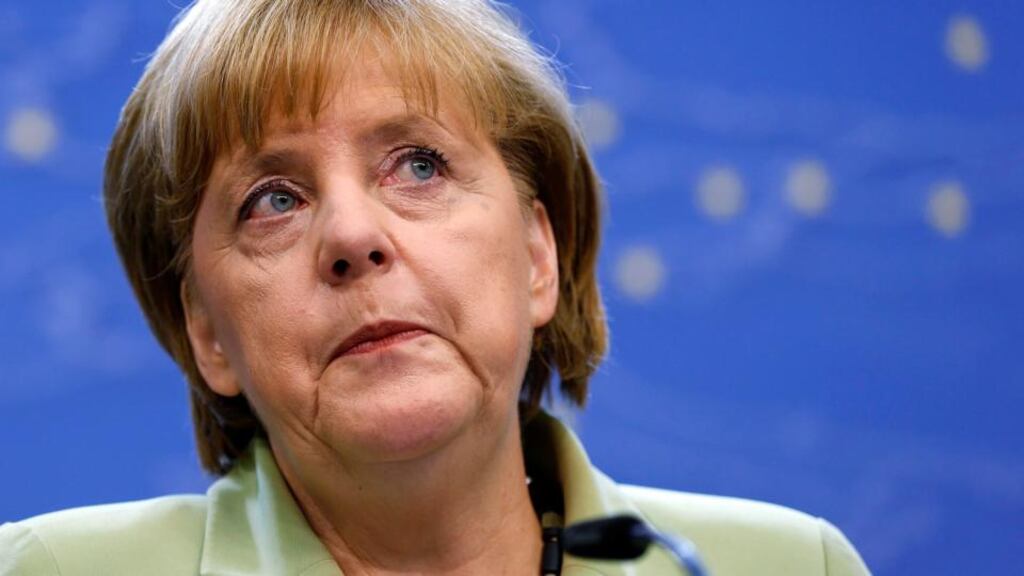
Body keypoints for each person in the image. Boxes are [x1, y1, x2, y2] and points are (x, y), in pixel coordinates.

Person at [0, 1, 870, 575]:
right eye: (273, 201)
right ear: (207, 334)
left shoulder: (787, 566)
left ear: (537, 254)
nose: (353, 236)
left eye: (419, 165)